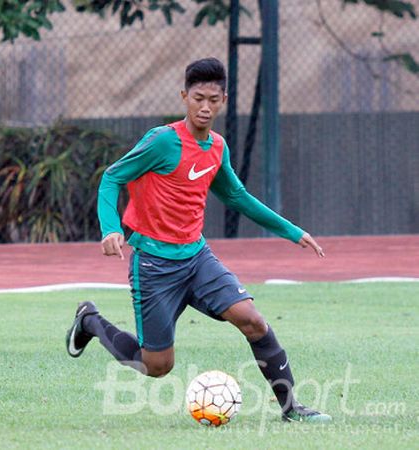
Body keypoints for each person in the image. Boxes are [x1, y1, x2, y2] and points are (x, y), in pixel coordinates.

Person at [66, 58, 332, 423]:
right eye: (197, 98)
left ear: (223, 99)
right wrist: (110, 228)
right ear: (184, 97)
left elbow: (237, 197)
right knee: (157, 366)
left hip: (197, 258)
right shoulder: (163, 141)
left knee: (252, 320)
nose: (205, 107)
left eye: (213, 99)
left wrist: (292, 231)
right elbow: (112, 177)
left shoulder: (217, 147)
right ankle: (91, 321)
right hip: (154, 265)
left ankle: (291, 408)